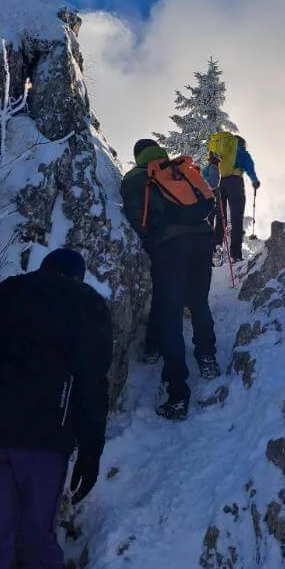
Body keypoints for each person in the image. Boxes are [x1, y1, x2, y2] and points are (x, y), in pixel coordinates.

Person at [0, 248, 113, 569]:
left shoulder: (5, 294)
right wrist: (90, 453)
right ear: (77, 277)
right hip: (43, 443)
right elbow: (92, 385)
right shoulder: (87, 304)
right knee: (34, 547)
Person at [121, 139, 219, 421]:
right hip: (201, 241)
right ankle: (207, 357)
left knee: (171, 312)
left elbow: (136, 218)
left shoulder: (136, 178)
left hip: (169, 247)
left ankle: (177, 394)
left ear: (138, 155)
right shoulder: (179, 169)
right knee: (199, 301)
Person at [212, 134, 260, 263]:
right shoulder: (242, 153)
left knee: (220, 215)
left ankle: (217, 245)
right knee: (236, 219)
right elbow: (250, 167)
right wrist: (255, 181)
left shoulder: (225, 151)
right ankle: (236, 254)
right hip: (235, 182)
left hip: (221, 183)